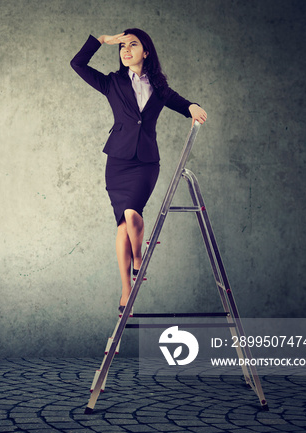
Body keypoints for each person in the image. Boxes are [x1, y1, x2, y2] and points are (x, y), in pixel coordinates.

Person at [70, 29, 207, 313]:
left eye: (133, 44)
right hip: (118, 162)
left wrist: (192, 105)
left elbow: (181, 103)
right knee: (123, 224)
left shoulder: (159, 87)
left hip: (146, 163)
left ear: (146, 52)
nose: (126, 49)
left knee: (132, 217)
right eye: (123, 46)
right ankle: (126, 290)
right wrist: (102, 40)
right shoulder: (112, 83)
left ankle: (138, 258)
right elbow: (78, 64)